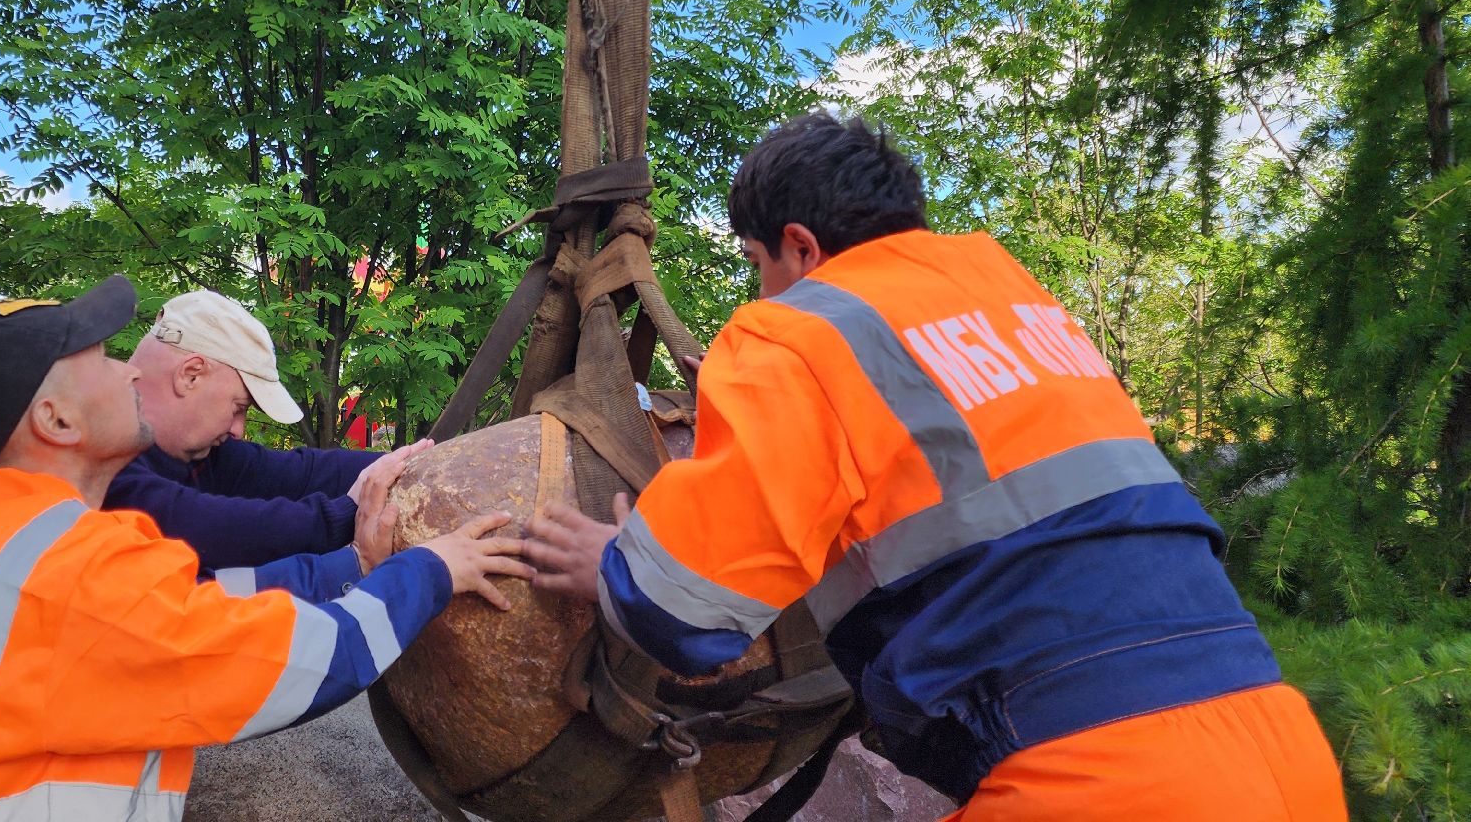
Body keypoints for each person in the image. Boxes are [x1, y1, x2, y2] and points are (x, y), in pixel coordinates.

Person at [525, 115, 1346, 820]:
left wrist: (611, 566)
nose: (761, 286)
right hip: (1283, 751)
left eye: (756, 261)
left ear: (800, 249)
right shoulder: (1014, 299)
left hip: (1091, 783)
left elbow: (684, 617)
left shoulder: (796, 331)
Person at [0, 275, 529, 821]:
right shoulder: (74, 574)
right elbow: (306, 661)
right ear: (55, 418)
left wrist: (355, 565)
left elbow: (195, 610)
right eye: (101, 359)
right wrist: (430, 571)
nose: (134, 370)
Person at [106, 288, 405, 601]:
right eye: (238, 407)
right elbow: (199, 522)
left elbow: (301, 472)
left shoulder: (191, 452)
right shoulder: (96, 452)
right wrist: (346, 513)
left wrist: (415, 463)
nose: (238, 430)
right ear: (191, 375)